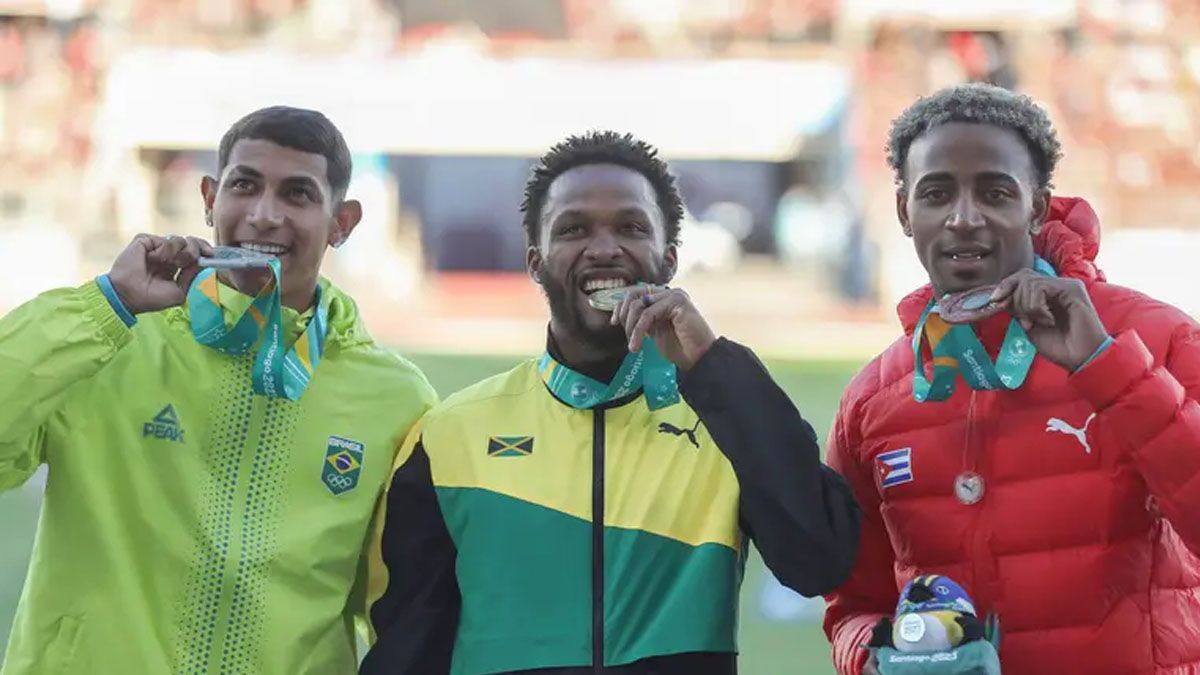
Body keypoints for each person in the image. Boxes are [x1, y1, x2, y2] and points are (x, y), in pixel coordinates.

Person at [361, 130, 861, 674]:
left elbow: (821, 561)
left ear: (668, 260)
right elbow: (408, 645)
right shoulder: (451, 433)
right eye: (574, 229)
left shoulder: (725, 419)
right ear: (536, 261)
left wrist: (715, 365)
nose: (603, 248)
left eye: (631, 227)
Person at [0, 106, 437, 674]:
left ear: (342, 222)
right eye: (244, 186)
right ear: (209, 198)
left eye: (298, 195)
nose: (263, 215)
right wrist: (108, 304)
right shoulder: (114, 343)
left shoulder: (396, 399)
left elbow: (403, 605)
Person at [823, 83, 1200, 675]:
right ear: (903, 211)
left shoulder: (1153, 339)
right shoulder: (874, 397)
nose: (964, 218)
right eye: (937, 193)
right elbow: (853, 603)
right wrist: (872, 657)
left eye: (996, 193)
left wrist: (1106, 366)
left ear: (1037, 206)